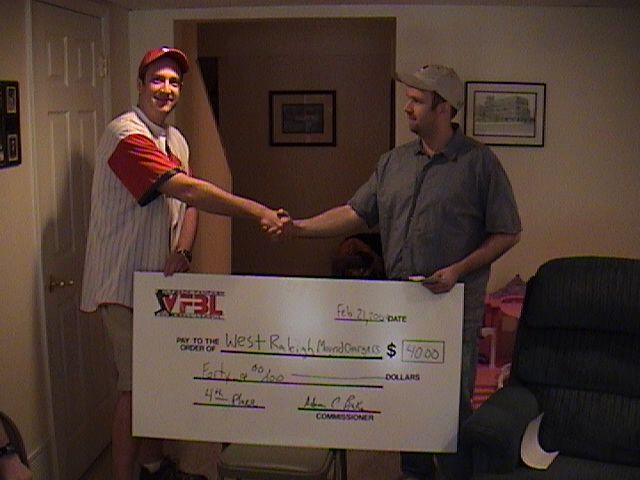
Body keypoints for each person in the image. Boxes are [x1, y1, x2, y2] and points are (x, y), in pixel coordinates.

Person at [281, 64, 521, 480]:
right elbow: (355, 212)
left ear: (443, 109)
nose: (406, 107)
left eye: (416, 100)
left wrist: (457, 269)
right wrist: (299, 228)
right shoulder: (393, 162)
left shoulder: (479, 163)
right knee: (405, 409)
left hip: (451, 314)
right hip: (399, 312)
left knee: (448, 418)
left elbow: (508, 232)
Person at [80, 47, 286, 480]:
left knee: (155, 381)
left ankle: (154, 466)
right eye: (157, 79)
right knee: (134, 389)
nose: (166, 89)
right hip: (121, 283)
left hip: (157, 282)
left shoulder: (175, 140)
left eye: (174, 82)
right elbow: (188, 190)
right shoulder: (125, 135)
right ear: (140, 85)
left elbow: (188, 203)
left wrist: (184, 250)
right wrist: (258, 211)